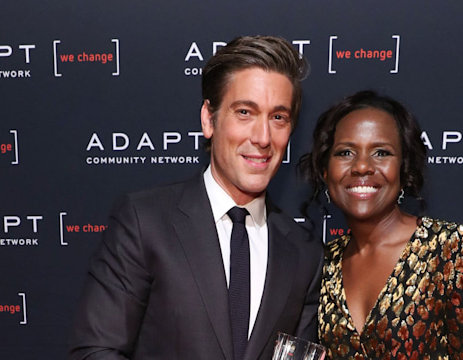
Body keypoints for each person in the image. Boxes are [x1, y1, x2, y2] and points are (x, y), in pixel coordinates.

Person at [69, 35, 323, 360]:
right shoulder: (144, 221)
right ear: (208, 119)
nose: (262, 137)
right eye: (245, 112)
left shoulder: (304, 253)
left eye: (278, 117)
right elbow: (95, 352)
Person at [299, 90, 463, 359]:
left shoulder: (450, 249)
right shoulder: (325, 261)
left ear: (404, 169)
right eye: (345, 152)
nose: (362, 166)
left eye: (381, 152)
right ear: (325, 171)